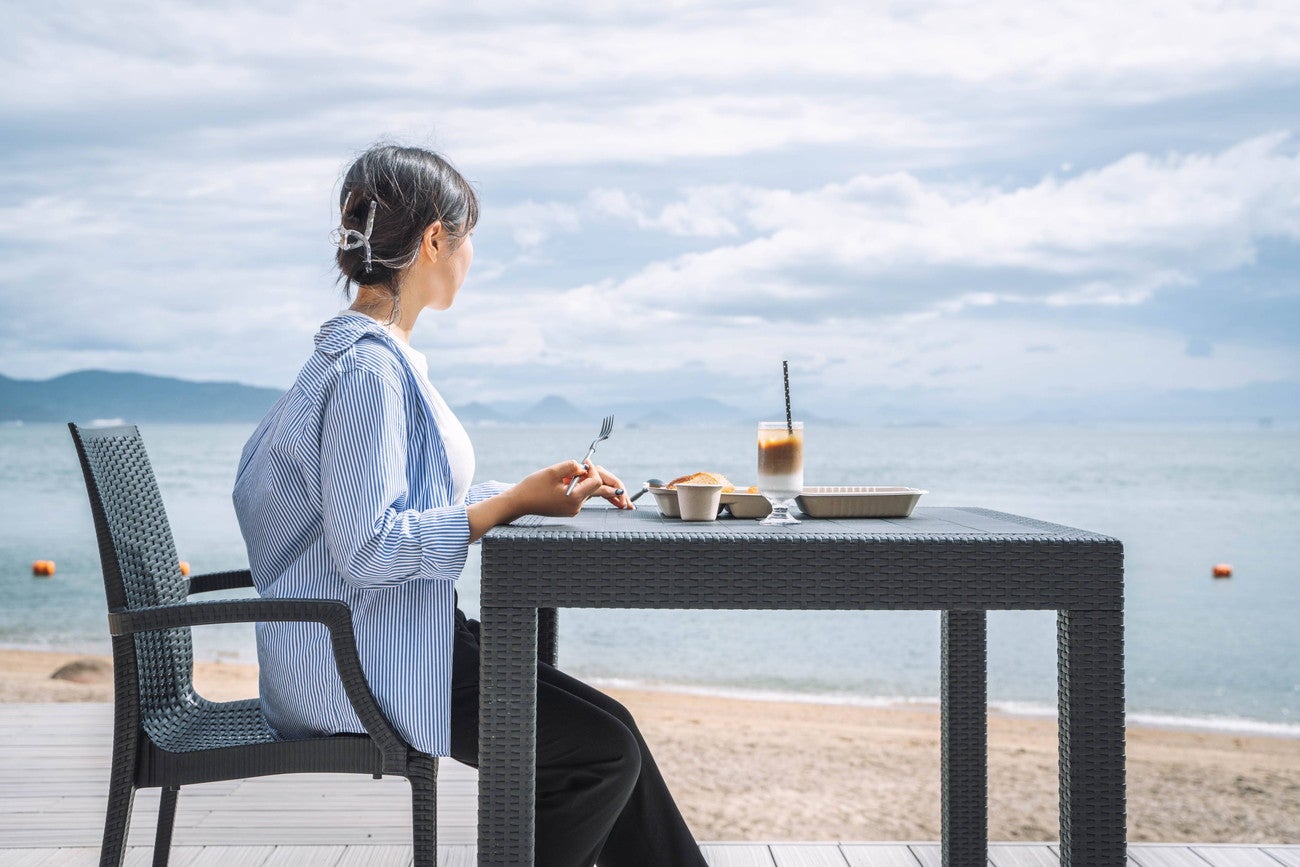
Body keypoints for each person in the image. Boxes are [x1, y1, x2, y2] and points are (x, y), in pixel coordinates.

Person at [231, 143, 709, 867]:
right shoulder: (367, 372)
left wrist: (522, 498)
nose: (471, 256)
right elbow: (367, 548)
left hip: (375, 635)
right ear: (432, 241)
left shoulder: (361, 357)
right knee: (600, 754)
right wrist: (510, 500)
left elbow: (393, 509)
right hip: (363, 659)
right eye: (468, 236)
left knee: (614, 730)